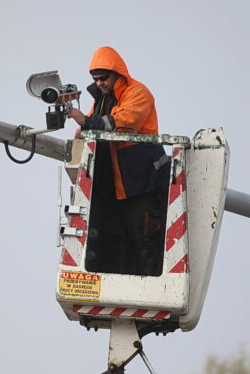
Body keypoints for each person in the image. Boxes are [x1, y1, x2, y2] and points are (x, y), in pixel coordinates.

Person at [68, 46, 170, 276]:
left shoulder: (139, 93)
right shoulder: (102, 99)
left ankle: (150, 288)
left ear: (117, 73)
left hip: (142, 182)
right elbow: (96, 125)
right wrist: (83, 130)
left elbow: (123, 121)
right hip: (116, 185)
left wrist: (85, 120)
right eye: (96, 79)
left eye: (104, 78)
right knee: (118, 240)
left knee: (145, 239)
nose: (100, 83)